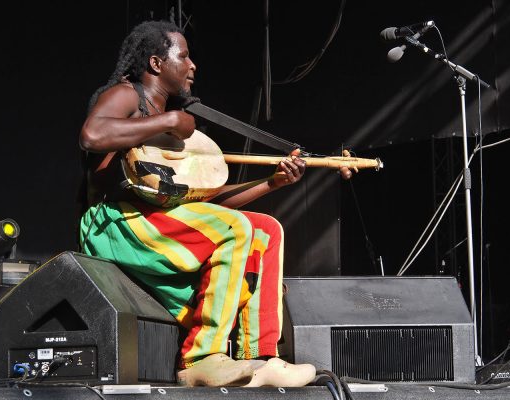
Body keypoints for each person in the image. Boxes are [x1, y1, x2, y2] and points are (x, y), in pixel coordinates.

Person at [79, 19, 352, 387]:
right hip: (116, 224)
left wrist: (272, 182)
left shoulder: (174, 128)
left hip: (162, 220)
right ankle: (200, 358)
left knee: (265, 229)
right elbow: (92, 135)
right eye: (185, 56)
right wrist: (172, 119)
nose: (193, 66)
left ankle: (259, 356)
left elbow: (206, 204)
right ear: (156, 64)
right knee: (235, 228)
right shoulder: (129, 96)